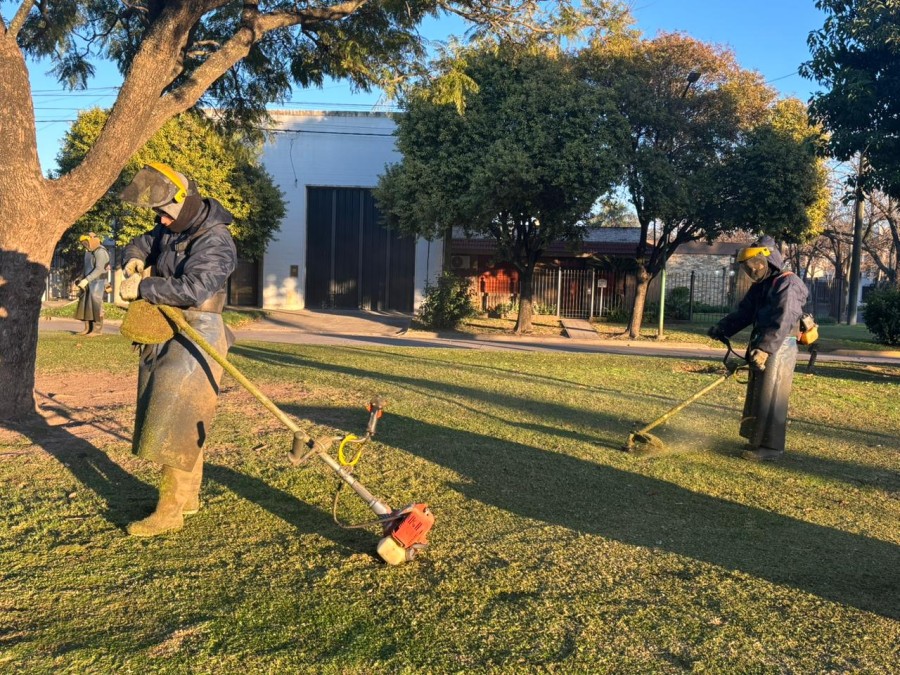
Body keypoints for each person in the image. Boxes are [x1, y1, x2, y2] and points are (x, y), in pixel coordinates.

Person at [118, 162, 237, 536]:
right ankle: (188, 498)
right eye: (158, 214)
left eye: (165, 213)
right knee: (180, 418)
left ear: (186, 204)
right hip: (172, 326)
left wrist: (143, 289)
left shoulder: (215, 239)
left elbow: (193, 288)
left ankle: (169, 512)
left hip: (200, 329)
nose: (162, 221)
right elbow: (145, 242)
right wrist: (134, 258)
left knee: (176, 420)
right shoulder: (172, 227)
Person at [708, 236, 808, 462]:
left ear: (768, 260)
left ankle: (771, 448)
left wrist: (765, 348)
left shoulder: (788, 283)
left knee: (772, 395)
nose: (752, 270)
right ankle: (756, 439)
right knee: (758, 393)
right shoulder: (762, 285)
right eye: (748, 267)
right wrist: (723, 328)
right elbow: (745, 312)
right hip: (764, 343)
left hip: (780, 346)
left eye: (755, 265)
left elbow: (783, 319)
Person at [73, 232, 110, 336]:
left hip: (98, 282)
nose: (84, 244)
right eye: (83, 243)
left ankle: (97, 330)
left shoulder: (100, 251)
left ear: (92, 240)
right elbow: (86, 267)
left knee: (96, 306)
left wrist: (86, 279)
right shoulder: (89, 252)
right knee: (86, 305)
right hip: (88, 282)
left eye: (86, 242)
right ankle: (87, 329)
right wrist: (81, 279)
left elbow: (99, 269)